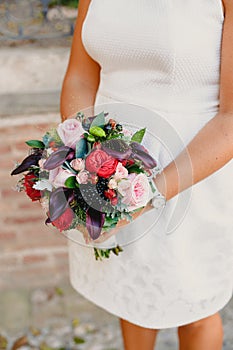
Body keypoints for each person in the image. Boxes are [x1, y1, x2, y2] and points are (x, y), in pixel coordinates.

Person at [60, 1, 233, 349]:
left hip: (191, 174)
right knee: (132, 297)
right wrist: (78, 157)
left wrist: (146, 194)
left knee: (194, 308)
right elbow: (81, 75)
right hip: (103, 172)